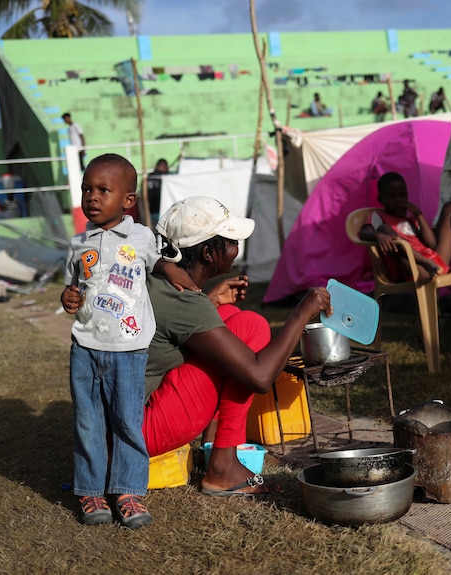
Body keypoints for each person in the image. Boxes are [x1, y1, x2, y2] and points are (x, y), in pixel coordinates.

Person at [142, 196, 333, 496]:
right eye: (231, 241)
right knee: (251, 326)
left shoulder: (161, 281)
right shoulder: (183, 300)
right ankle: (223, 464)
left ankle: (215, 442)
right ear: (208, 252)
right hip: (140, 432)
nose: (236, 248)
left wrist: (210, 302)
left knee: (230, 315)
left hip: (125, 424)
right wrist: (301, 313)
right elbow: (259, 377)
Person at [60, 153, 197, 528]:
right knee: (88, 420)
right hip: (86, 346)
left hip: (129, 348)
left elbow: (158, 262)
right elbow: (72, 286)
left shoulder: (141, 236)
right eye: (87, 188)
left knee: (126, 421)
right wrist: (67, 297)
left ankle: (128, 491)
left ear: (127, 201)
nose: (92, 197)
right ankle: (89, 490)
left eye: (103, 190)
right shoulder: (78, 241)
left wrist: (173, 271)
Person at [358, 172, 451, 282]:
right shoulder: (377, 216)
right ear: (380, 200)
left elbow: (432, 243)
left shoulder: (409, 219)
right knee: (384, 229)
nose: (398, 200)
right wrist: (378, 235)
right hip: (415, 269)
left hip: (435, 263)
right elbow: (363, 233)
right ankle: (426, 263)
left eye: (402, 196)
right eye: (392, 196)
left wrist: (418, 215)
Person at [145, 158, 169, 228]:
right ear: (163, 166)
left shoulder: (149, 177)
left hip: (151, 210)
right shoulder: (164, 177)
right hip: (161, 209)